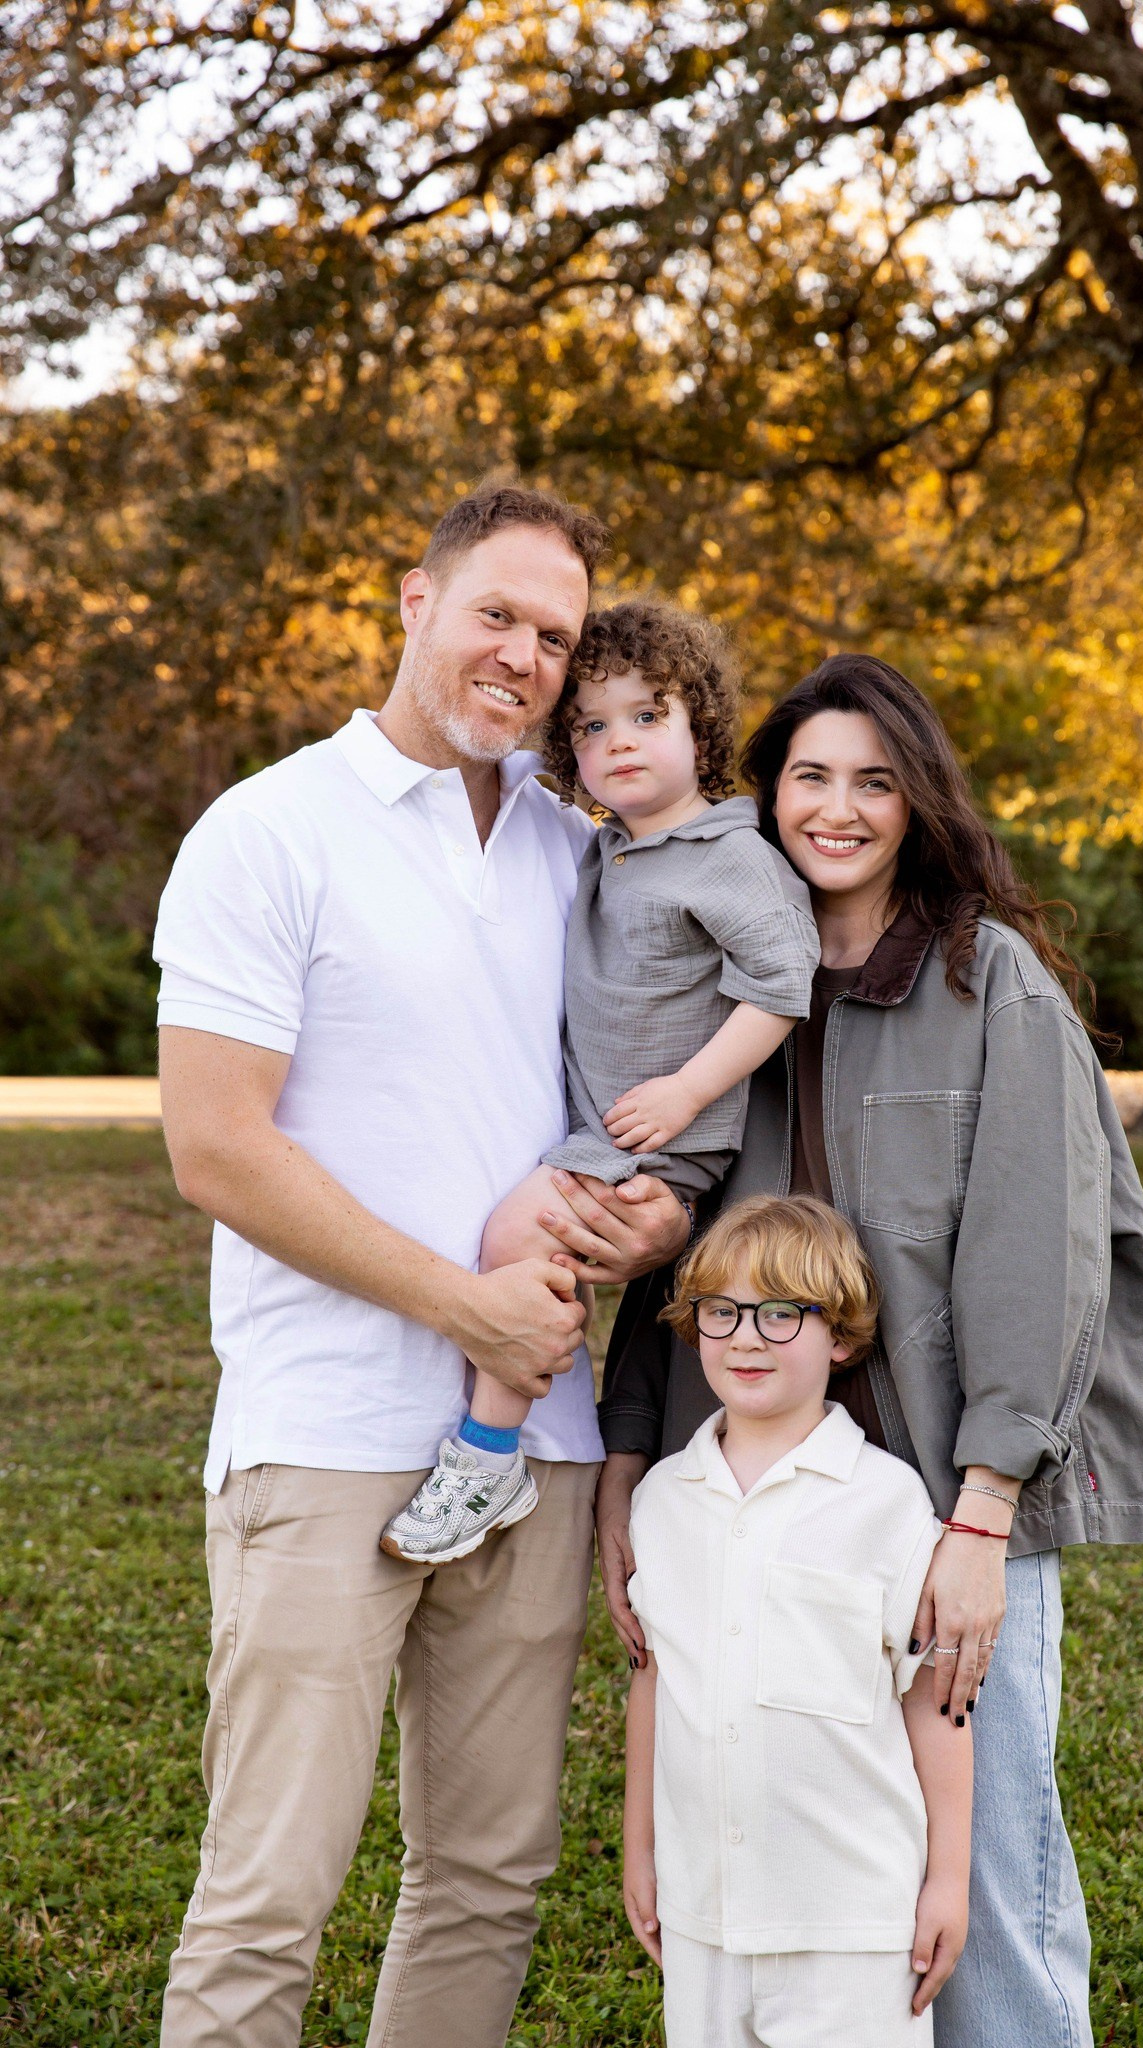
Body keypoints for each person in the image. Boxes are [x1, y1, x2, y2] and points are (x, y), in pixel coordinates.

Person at [152, 483, 690, 2048]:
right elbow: (216, 1147)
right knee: (267, 1898)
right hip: (326, 1428)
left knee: (486, 1881)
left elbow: (626, 1111)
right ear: (415, 602)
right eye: (496, 615)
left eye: (556, 638)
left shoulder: (585, 854)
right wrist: (466, 1308)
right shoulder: (270, 829)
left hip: (538, 1442)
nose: (524, 657)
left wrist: (651, 1225)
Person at [594, 653, 1143, 2048]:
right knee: (800, 1844)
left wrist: (981, 1518)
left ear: (919, 802)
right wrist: (629, 1466)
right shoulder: (727, 990)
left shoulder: (992, 986)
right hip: (758, 1500)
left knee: (984, 1884)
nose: (838, 809)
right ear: (765, 796)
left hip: (946, 1503)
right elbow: (674, 1254)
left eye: (874, 780)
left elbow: (1040, 1264)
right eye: (809, 776)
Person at [380, 599, 818, 1565]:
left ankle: (488, 1455)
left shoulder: (730, 856)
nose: (617, 741)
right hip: (613, 1127)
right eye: (589, 726)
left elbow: (781, 987)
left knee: (515, 1240)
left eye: (646, 715)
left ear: (701, 728)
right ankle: (498, 1433)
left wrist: (686, 1093)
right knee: (525, 1249)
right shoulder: (611, 844)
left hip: (658, 1135)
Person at [623, 1193, 973, 2047]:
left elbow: (932, 1701)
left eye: (781, 1313)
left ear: (840, 1336)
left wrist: (948, 1882)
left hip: (853, 1922)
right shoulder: (662, 1499)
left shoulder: (886, 1502)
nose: (746, 1337)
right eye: (722, 1311)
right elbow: (653, 1679)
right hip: (703, 1915)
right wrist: (641, 1850)